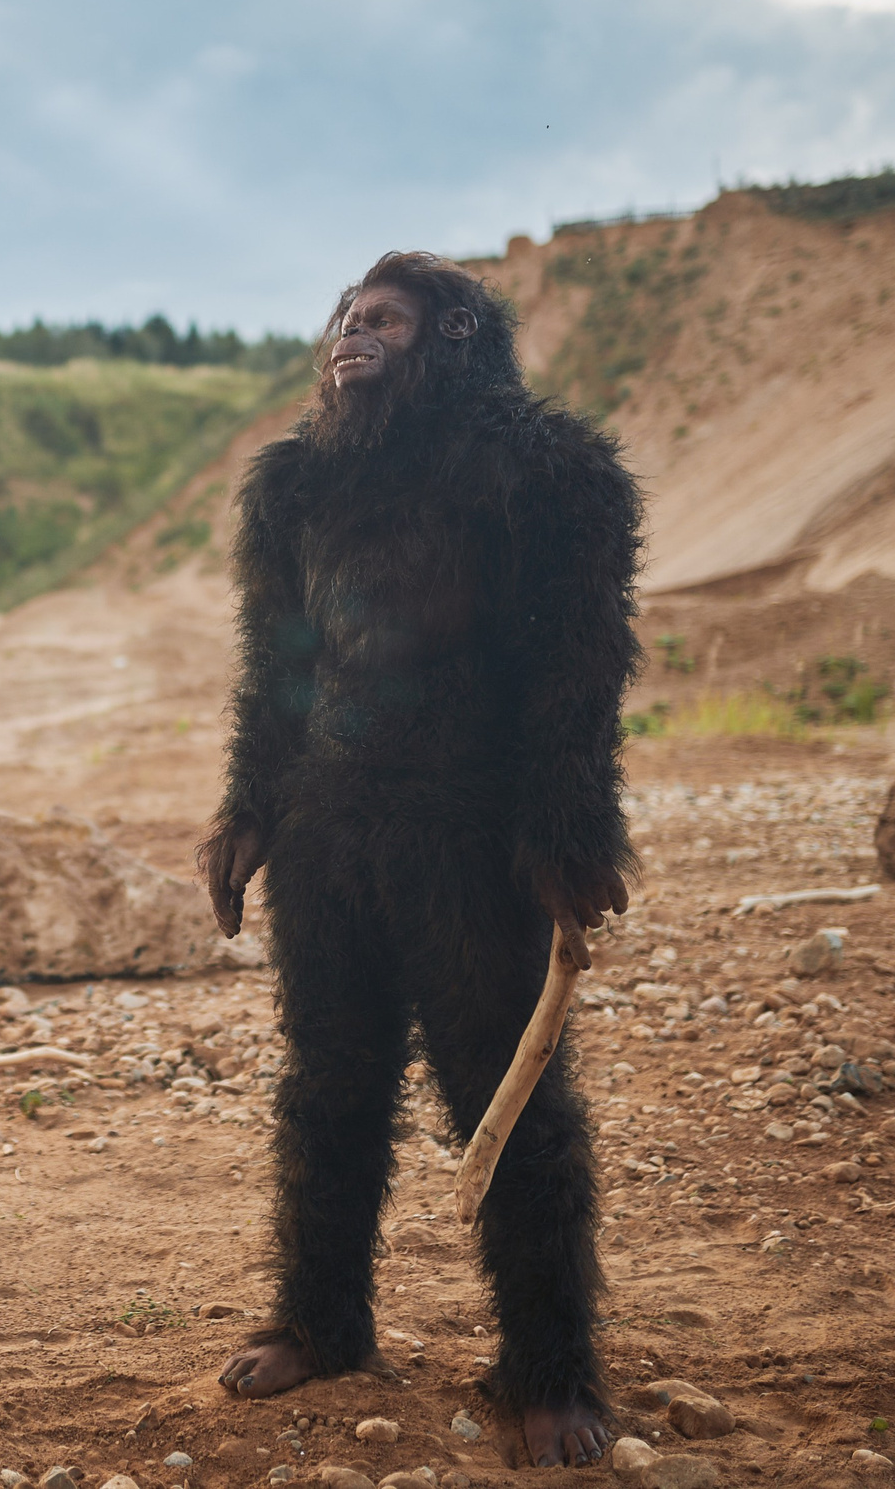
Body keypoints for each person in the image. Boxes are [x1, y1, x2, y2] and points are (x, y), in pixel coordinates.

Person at [201, 252, 640, 1467]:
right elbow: (276, 662)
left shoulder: (548, 471)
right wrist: (247, 809)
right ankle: (322, 1322)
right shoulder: (294, 485)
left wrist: (567, 835)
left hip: (470, 834)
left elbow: (579, 667)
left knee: (506, 1100)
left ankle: (551, 1374)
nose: (348, 333)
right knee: (329, 1083)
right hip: (325, 829)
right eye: (343, 316)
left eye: (380, 319)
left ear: (451, 335)